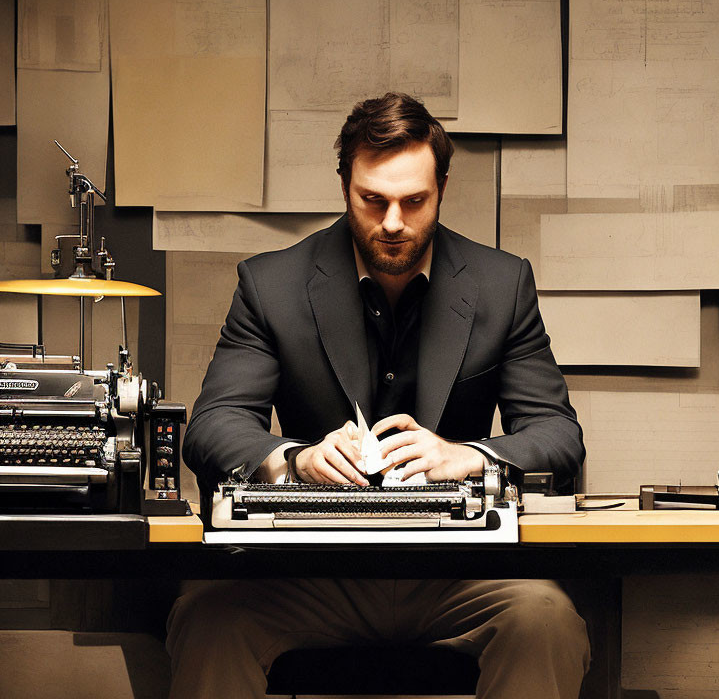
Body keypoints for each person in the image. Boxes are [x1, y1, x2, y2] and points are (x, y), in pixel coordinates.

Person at [166, 92, 589, 699]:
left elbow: (558, 435)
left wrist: (470, 456)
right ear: (345, 187)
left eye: (414, 201)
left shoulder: (503, 283)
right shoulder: (270, 285)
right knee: (207, 620)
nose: (393, 221)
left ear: (442, 188)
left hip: (459, 576)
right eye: (374, 200)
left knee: (546, 621)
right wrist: (294, 461)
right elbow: (213, 425)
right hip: (310, 575)